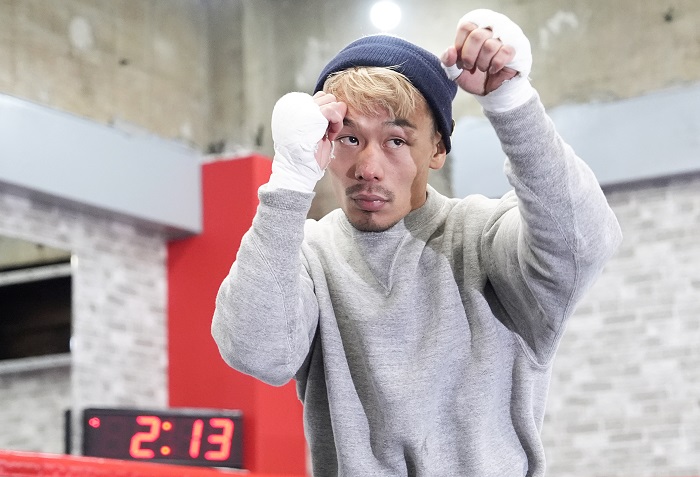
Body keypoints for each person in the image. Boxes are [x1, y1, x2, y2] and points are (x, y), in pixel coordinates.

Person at [212, 8, 622, 476]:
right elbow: (254, 351)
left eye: (396, 141)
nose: (368, 167)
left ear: (438, 148)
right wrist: (289, 178)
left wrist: (513, 102)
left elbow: (584, 244)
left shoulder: (484, 237)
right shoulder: (307, 256)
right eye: (349, 139)